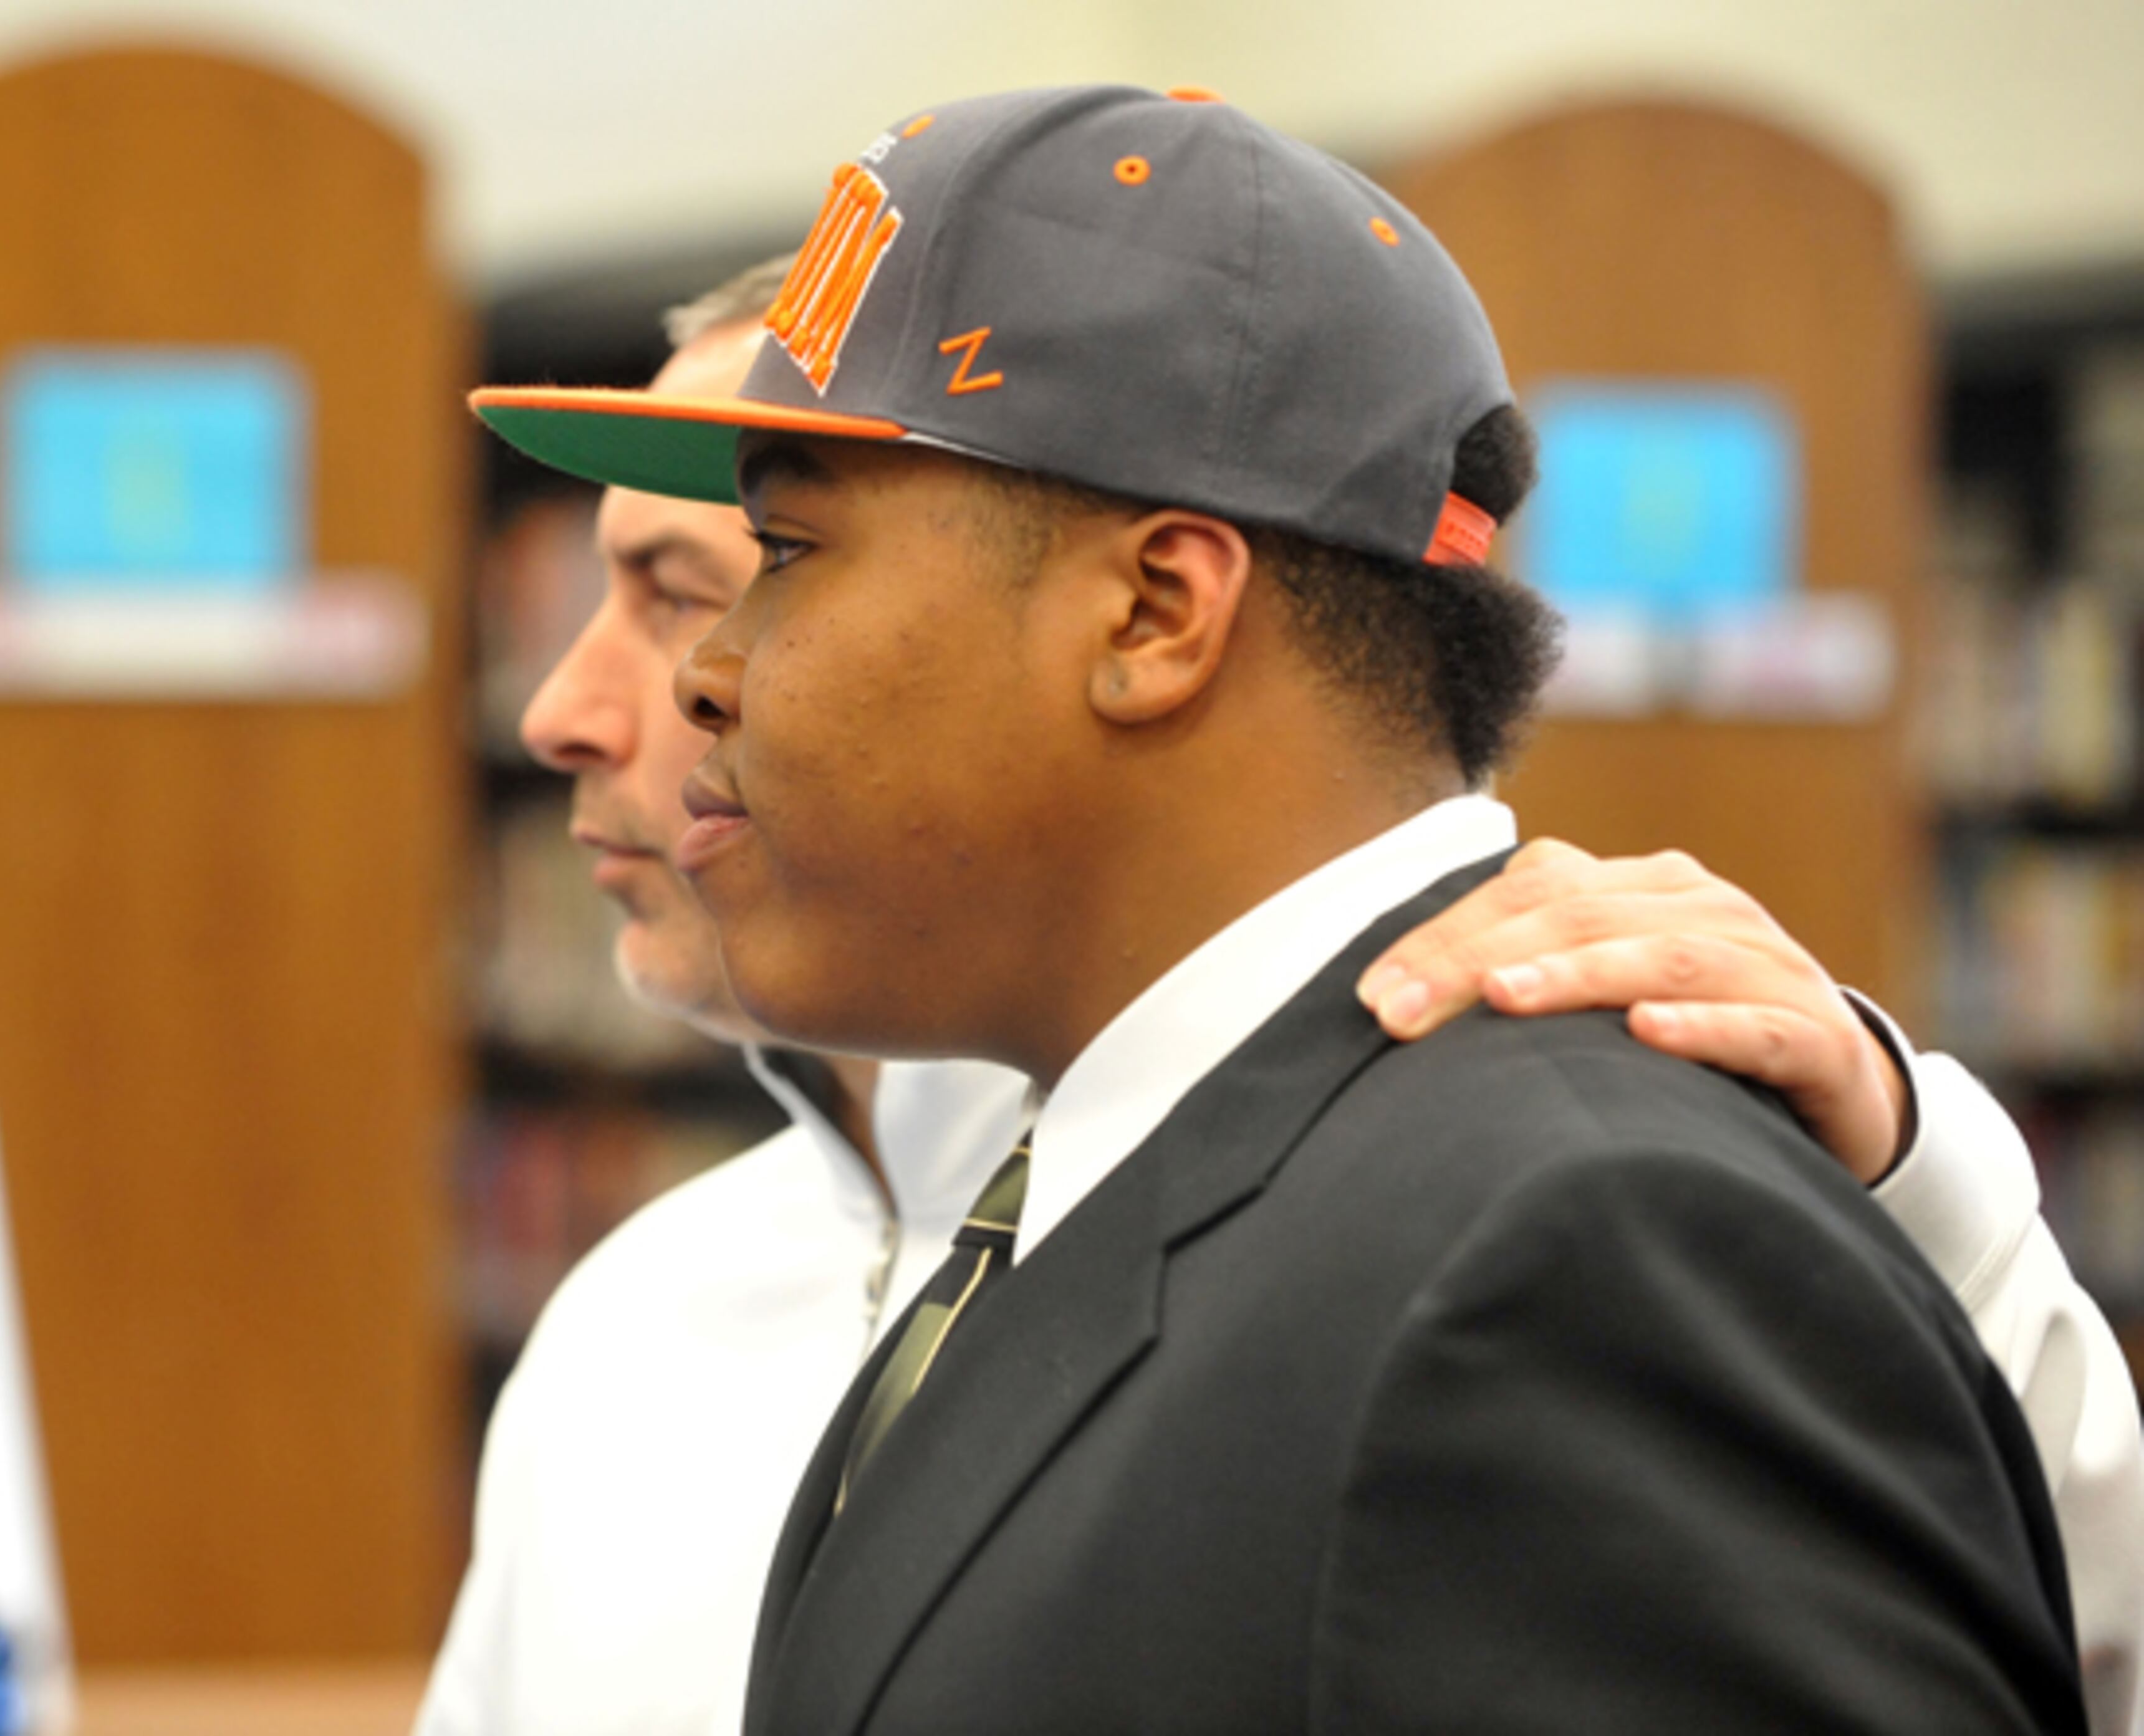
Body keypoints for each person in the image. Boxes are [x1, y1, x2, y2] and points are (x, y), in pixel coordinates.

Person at [466, 87, 2115, 1732]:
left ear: (1154, 608)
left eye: (785, 552)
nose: (707, 672)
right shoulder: (1107, 1192)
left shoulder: (1566, 1244)